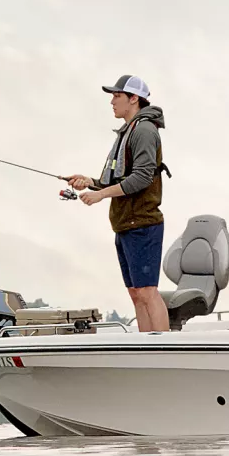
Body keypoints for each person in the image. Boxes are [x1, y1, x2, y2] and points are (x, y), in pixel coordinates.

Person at [64, 74, 169, 332]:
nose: (112, 101)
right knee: (136, 293)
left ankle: (163, 347)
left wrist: (100, 195)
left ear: (134, 99)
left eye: (117, 96)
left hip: (141, 223)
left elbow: (142, 177)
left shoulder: (143, 130)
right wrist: (89, 181)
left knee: (147, 292)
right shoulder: (129, 131)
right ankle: (147, 346)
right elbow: (120, 177)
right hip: (126, 224)